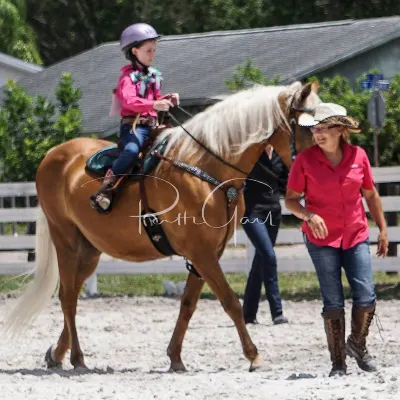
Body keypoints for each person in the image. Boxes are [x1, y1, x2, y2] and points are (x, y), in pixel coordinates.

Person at [285, 103, 388, 377]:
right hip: (320, 240)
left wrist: (383, 228)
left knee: (366, 295)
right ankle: (338, 363)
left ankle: (357, 345)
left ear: (340, 130)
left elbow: (370, 195)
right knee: (332, 301)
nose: (317, 134)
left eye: (323, 129)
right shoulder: (304, 161)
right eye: (315, 129)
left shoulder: (359, 156)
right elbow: (292, 201)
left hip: (355, 233)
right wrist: (308, 215)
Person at [90, 23, 179, 212]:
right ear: (135, 51)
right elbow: (130, 101)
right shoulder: (127, 79)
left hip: (154, 125)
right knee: (131, 150)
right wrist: (154, 104)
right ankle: (107, 186)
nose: (152, 55)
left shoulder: (154, 76)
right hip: (134, 128)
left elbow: (153, 100)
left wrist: (167, 99)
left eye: (154, 50)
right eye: (148, 51)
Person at [241, 144, 289, 325]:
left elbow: (285, 183)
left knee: (260, 260)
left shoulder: (279, 155)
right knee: (268, 255)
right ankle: (277, 311)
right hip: (251, 212)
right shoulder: (249, 153)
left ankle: (248, 313)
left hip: (273, 212)